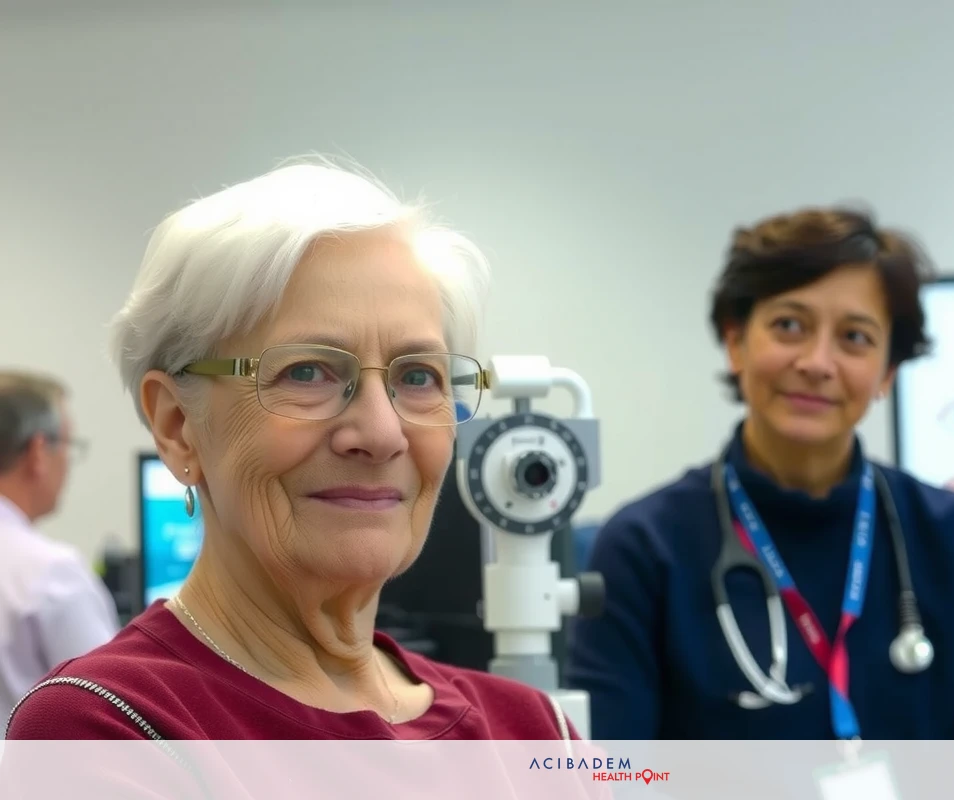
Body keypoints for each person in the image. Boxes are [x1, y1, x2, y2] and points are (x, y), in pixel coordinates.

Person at [4, 159, 578, 745]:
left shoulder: (535, 731)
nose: (381, 434)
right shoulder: (105, 730)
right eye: (307, 372)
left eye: (418, 376)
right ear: (178, 425)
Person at [564, 207, 954, 792]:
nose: (816, 363)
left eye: (855, 338)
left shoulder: (951, 535)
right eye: (789, 325)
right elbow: (603, 777)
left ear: (888, 371)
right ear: (736, 342)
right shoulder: (645, 547)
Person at [0, 371, 119, 720]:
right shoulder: (50, 575)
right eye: (68, 445)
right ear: (38, 452)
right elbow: (113, 710)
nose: (68, 462)